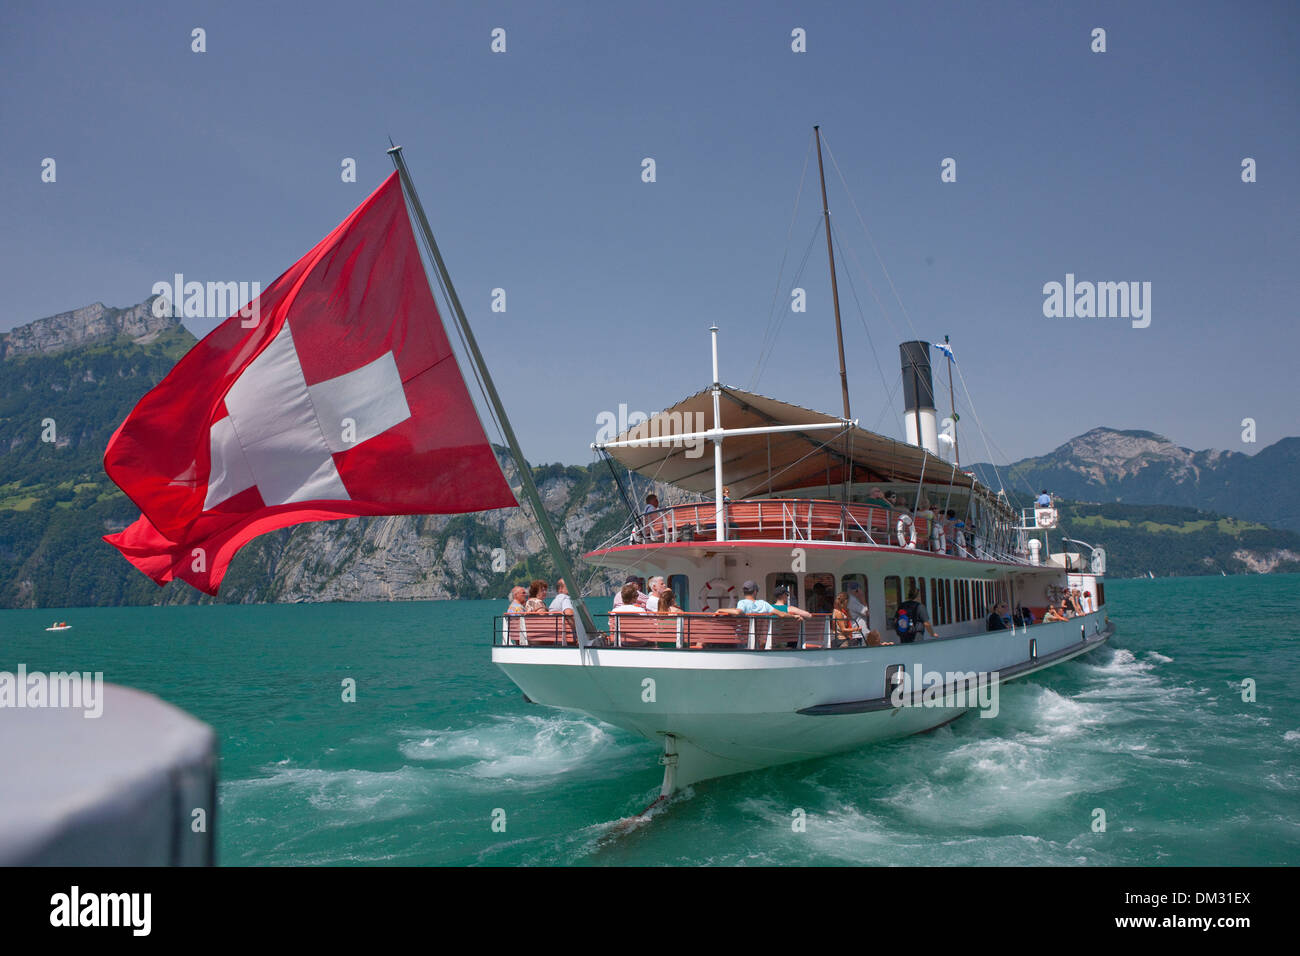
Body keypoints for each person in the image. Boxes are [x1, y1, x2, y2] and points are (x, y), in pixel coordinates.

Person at [714, 580, 785, 616]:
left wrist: (720, 609)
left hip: (744, 638)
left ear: (744, 592)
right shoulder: (764, 604)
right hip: (760, 638)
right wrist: (794, 616)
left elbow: (737, 612)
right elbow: (782, 614)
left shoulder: (742, 603)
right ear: (755, 592)